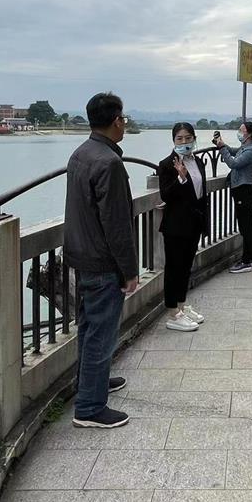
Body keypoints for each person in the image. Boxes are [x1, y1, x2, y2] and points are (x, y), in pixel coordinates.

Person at [64, 92, 139, 429]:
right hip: (102, 262)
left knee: (89, 328)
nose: (124, 124)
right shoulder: (109, 163)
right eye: (123, 119)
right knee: (101, 334)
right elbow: (117, 224)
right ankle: (90, 408)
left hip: (82, 256)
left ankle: (91, 384)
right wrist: (129, 271)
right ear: (116, 121)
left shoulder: (81, 154)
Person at [157, 123, 209, 331]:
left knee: (186, 267)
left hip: (194, 223)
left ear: (194, 139)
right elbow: (166, 195)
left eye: (188, 138)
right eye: (179, 138)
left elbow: (200, 194)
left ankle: (181, 305)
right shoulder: (166, 164)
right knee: (174, 268)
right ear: (173, 140)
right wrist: (181, 178)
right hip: (176, 225)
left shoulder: (198, 162)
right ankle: (173, 313)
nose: (184, 142)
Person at [217, 121, 252, 274]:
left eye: (242, 130)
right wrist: (223, 144)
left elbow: (233, 163)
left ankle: (246, 260)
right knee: (247, 225)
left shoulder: (251, 151)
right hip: (243, 191)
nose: (239, 132)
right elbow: (234, 151)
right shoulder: (245, 148)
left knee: (245, 227)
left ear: (249, 134)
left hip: (244, 191)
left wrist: (222, 149)